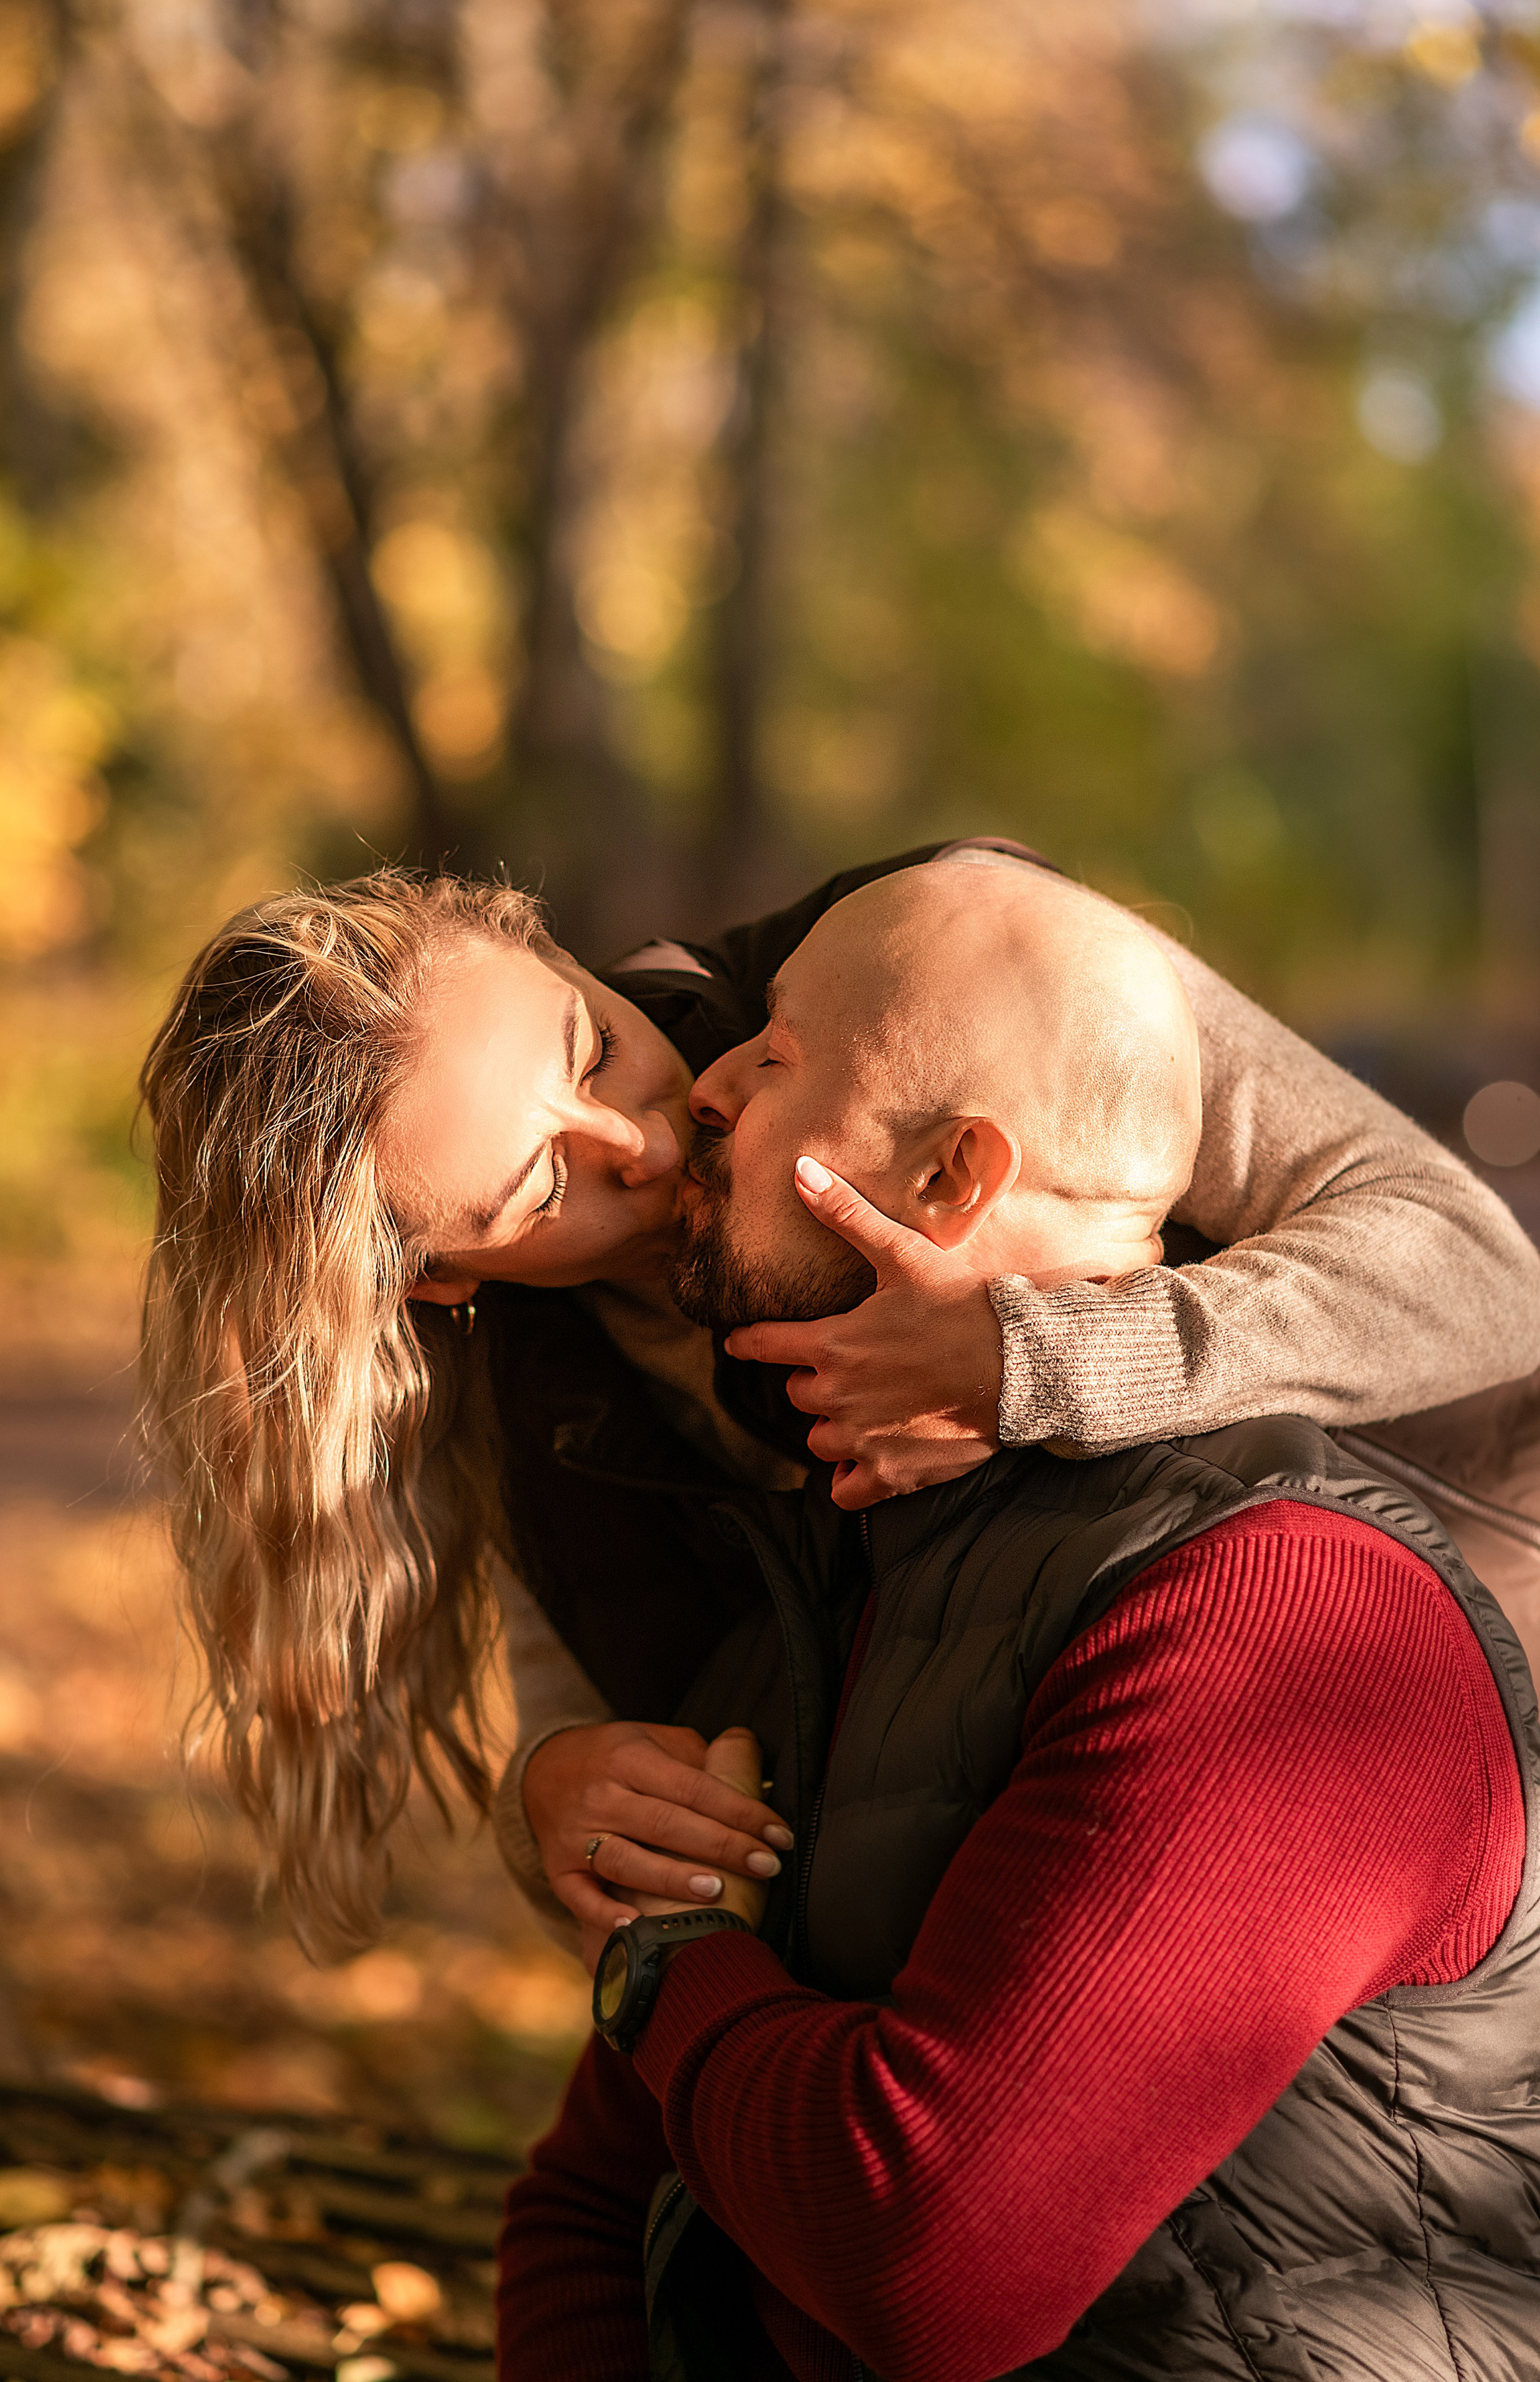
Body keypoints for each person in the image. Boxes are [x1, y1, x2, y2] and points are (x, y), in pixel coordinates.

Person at [496, 862, 1540, 2382]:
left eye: (770, 1059)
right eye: (522, 1194)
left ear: (946, 1178)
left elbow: (931, 2265)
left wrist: (670, 1965)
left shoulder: (1277, 1620)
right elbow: (594, 2199)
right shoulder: (824, 1594)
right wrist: (567, 1809)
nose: (686, 1107)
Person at [137, 840, 1540, 1958]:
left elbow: (1480, 1273)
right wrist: (549, 1797)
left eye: (591, 1048)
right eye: (540, 1186)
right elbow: (591, 1709)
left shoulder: (948, 955)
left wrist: (1033, 1361)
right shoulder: (522, 1381)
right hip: (1131, 1867)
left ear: (555, 954)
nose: (640, 1139)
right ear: (438, 1278)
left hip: (1455, 1657)